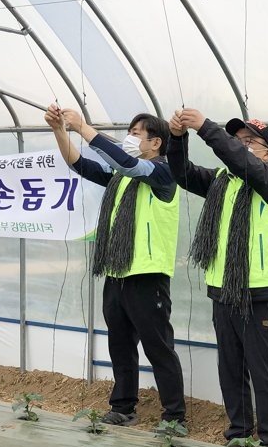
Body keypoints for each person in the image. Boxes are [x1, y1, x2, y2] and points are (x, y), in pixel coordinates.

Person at [44, 104, 186, 428]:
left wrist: (83, 127)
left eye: (137, 134)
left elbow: (127, 163)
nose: (129, 139)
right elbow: (80, 164)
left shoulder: (164, 174)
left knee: (158, 346)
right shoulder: (122, 177)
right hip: (118, 272)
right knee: (120, 344)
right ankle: (123, 407)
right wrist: (59, 131)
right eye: (129, 133)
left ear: (156, 143)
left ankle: (174, 416)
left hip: (148, 274)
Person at [167, 110, 268, 447]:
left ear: (267, 153)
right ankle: (238, 431)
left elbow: (238, 161)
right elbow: (182, 173)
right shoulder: (222, 182)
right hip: (222, 290)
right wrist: (177, 139)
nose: (241, 146)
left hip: (259, 292)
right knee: (230, 367)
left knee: (262, 369)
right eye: (238, 140)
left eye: (250, 142)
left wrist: (206, 127)